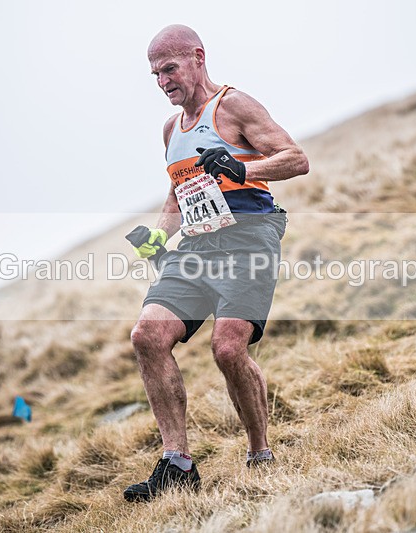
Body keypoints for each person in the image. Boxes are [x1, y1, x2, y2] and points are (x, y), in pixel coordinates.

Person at [123, 24, 309, 503]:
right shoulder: (171, 130)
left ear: (197, 58)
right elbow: (177, 192)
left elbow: (295, 158)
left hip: (250, 237)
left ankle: (259, 453)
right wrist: (156, 237)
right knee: (147, 335)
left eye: (169, 68)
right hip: (199, 248)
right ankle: (177, 463)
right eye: (155, 74)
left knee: (228, 349)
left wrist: (242, 168)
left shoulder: (233, 106)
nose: (162, 81)